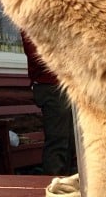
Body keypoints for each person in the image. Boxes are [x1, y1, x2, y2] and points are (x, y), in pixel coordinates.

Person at [22, 31, 76, 176]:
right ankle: (56, 186)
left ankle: (72, 185)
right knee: (59, 141)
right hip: (51, 85)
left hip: (68, 83)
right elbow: (37, 54)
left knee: (74, 142)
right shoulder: (32, 15)